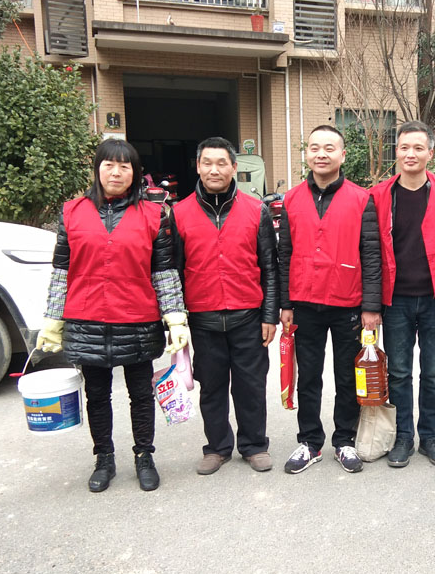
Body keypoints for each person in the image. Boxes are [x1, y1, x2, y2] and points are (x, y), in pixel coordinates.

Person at [36, 138, 187, 493]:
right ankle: (104, 458)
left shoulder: (153, 214)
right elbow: (61, 271)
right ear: (97, 169)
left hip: (137, 319)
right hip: (85, 319)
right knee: (97, 395)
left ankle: (144, 456)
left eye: (124, 166)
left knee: (141, 394)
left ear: (135, 173)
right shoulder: (71, 212)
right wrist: (53, 320)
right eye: (109, 165)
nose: (116, 172)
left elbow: (164, 272)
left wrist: (175, 317)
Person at [277, 125, 382, 474]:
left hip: (347, 300)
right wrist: (285, 304)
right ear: (307, 153)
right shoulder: (291, 199)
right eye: (314, 148)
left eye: (329, 148)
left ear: (342, 155)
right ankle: (310, 441)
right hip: (304, 301)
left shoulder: (361, 199)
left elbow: (371, 254)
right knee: (308, 376)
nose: (321, 154)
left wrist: (371, 306)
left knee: (347, 375)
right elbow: (284, 254)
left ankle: (344, 440)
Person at [174, 137, 279, 476]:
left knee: (251, 386)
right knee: (212, 387)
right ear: (198, 166)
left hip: (248, 316)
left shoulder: (256, 210)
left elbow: (270, 267)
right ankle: (217, 447)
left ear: (234, 167)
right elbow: (173, 271)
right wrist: (176, 321)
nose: (214, 170)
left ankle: (254, 445)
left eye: (222, 163)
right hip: (203, 319)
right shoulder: (179, 214)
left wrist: (269, 315)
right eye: (207, 163)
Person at [370, 121, 435, 468]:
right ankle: (404, 437)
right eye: (405, 147)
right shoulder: (379, 195)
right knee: (399, 373)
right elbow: (371, 251)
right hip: (396, 301)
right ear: (396, 151)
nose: (411, 154)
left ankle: (430, 437)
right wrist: (372, 302)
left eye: (418, 148)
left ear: (430, 153)